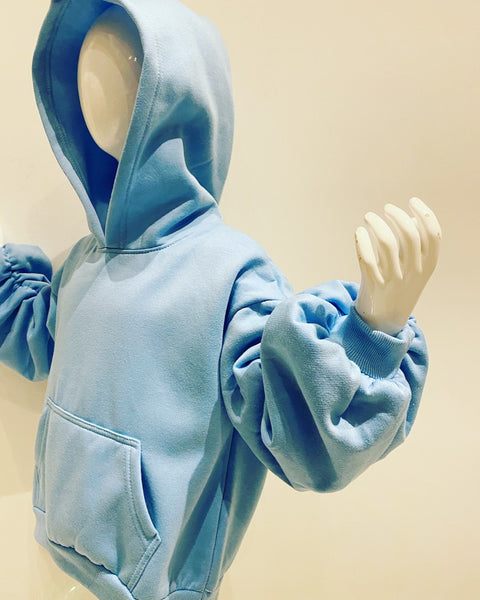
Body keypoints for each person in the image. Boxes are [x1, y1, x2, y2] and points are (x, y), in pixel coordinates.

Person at [0, 1, 441, 600]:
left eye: (129, 66)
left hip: (155, 583)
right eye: (82, 65)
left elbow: (301, 440)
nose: (91, 86)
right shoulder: (84, 260)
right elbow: (41, 340)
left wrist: (369, 335)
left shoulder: (229, 271)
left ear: (181, 99)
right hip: (53, 554)